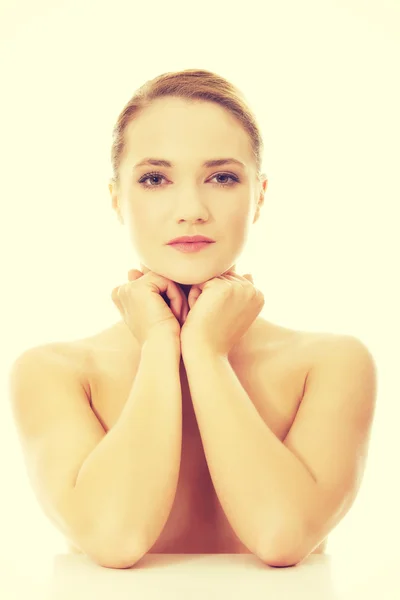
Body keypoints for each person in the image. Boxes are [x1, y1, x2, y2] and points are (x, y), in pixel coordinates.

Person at [8, 68, 376, 570]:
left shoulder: (333, 363)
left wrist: (205, 350)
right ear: (117, 198)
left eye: (222, 177)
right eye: (155, 178)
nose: (191, 209)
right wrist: (162, 343)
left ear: (260, 195)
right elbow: (115, 536)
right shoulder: (54, 372)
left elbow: (281, 535)